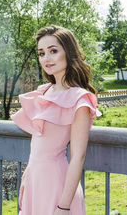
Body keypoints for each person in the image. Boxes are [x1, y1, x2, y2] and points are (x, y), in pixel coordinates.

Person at [11, 25, 101, 215]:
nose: (46, 58)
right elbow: (37, 148)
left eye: (53, 51)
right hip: (34, 184)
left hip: (57, 188)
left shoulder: (79, 98)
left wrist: (64, 206)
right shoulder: (44, 91)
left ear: (68, 52)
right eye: (41, 53)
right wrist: (27, 178)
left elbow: (78, 156)